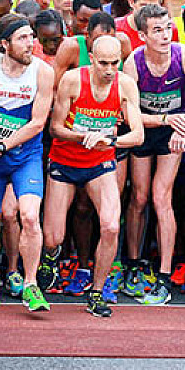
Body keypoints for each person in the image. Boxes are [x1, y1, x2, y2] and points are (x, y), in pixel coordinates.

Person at [121, 4, 185, 305]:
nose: (165, 35)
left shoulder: (183, 55)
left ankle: (163, 277)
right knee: (139, 197)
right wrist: (166, 119)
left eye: (168, 28)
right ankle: (133, 265)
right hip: (145, 128)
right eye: (157, 30)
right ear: (143, 36)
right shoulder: (133, 62)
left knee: (161, 197)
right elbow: (128, 114)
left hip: (173, 130)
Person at [40, 35, 144, 317]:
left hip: (100, 161)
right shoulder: (73, 80)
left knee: (111, 226)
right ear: (92, 60)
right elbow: (55, 128)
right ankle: (50, 258)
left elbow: (138, 135)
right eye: (103, 63)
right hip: (65, 160)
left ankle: (96, 292)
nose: (109, 70)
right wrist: (82, 136)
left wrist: (109, 140)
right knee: (53, 237)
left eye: (115, 63)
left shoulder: (125, 85)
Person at [0, 15, 55, 311]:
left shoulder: (43, 72)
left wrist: (1, 146)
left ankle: (31, 285)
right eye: (22, 38)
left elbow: (37, 123)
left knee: (30, 217)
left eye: (31, 36)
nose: (30, 43)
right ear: (4, 43)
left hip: (25, 156)